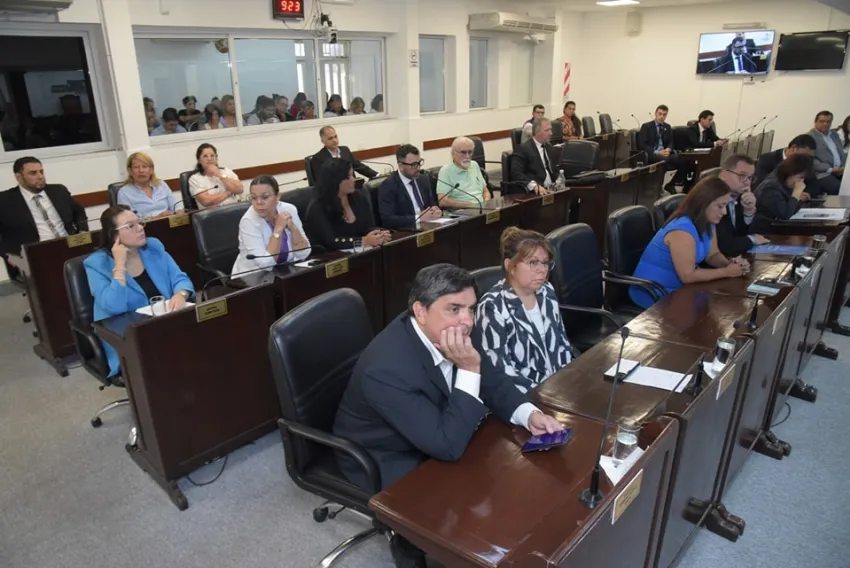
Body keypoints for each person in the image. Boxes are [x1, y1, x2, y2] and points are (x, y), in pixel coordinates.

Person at [333, 263, 563, 566]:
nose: (467, 321)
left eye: (471, 309)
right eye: (454, 309)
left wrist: (527, 413)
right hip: (382, 453)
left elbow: (491, 379)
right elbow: (447, 446)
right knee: (455, 503)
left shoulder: (454, 328)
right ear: (421, 311)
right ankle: (408, 545)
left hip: (434, 424)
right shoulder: (386, 369)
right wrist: (468, 369)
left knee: (501, 471)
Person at [84, 205, 194, 377]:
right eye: (130, 226)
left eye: (139, 222)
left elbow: (180, 278)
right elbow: (114, 307)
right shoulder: (97, 264)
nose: (140, 228)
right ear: (114, 235)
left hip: (165, 325)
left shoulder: (153, 247)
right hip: (128, 337)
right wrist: (120, 266)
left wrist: (181, 294)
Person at [476, 228, 572, 393]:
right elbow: (500, 370)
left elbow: (562, 343)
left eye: (545, 262)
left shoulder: (546, 291)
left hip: (558, 385)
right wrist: (544, 394)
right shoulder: (493, 307)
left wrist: (569, 378)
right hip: (525, 395)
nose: (542, 270)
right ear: (510, 266)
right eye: (533, 263)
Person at [629, 177, 748, 309]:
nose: (724, 212)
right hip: (655, 292)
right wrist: (726, 272)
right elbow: (688, 275)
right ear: (703, 204)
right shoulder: (682, 230)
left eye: (725, 205)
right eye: (720, 206)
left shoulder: (708, 222)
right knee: (713, 310)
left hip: (681, 289)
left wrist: (731, 265)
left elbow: (712, 255)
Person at [0, 157, 88, 275]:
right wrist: (7, 255)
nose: (40, 176)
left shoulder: (58, 191)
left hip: (69, 245)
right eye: (33, 173)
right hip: (35, 255)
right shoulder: (5, 201)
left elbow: (79, 211)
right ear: (18, 177)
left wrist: (83, 231)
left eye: (41, 172)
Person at [304, 158, 391, 251]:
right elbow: (330, 241)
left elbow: (369, 226)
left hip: (363, 252)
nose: (353, 179)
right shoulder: (317, 208)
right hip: (333, 256)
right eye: (348, 177)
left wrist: (379, 234)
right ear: (336, 181)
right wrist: (363, 241)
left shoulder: (359, 197)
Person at [231, 175, 311, 275]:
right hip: (253, 277)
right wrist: (278, 229)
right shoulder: (248, 221)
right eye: (254, 198)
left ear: (277, 196)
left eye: (265, 197)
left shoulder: (289, 210)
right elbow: (266, 264)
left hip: (284, 271)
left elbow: (304, 253)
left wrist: (294, 229)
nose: (259, 202)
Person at [711, 154, 770, 256]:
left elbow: (756, 234)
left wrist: (749, 212)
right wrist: (752, 239)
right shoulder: (713, 199)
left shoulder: (740, 197)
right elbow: (723, 244)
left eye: (750, 178)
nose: (747, 182)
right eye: (742, 176)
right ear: (724, 175)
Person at [378, 144, 440, 229]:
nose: (418, 168)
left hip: (429, 225)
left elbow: (431, 204)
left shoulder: (423, 179)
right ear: (401, 166)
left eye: (419, 163)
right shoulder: (388, 186)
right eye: (414, 165)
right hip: (407, 230)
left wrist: (435, 210)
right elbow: (388, 220)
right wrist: (418, 218)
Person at [638, 105, 690, 192]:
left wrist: (668, 149)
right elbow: (642, 145)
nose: (662, 116)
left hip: (665, 153)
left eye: (664, 115)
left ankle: (671, 184)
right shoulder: (647, 126)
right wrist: (658, 152)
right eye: (660, 114)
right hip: (652, 153)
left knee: (685, 161)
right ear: (655, 114)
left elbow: (671, 142)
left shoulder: (667, 127)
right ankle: (658, 187)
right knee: (664, 160)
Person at [117, 152, 181, 218]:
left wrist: (179, 211)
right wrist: (157, 217)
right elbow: (129, 220)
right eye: (136, 167)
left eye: (144, 167)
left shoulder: (161, 184)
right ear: (130, 171)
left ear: (151, 170)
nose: (141, 170)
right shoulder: (124, 192)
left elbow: (175, 206)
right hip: (144, 224)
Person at [754, 154, 813, 223]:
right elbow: (785, 215)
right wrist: (796, 193)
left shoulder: (784, 184)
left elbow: (794, 210)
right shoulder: (771, 188)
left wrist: (797, 197)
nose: (801, 182)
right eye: (801, 177)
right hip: (764, 226)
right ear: (791, 172)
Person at [309, 126, 378, 183]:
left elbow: (359, 166)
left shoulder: (345, 150)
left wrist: (377, 175)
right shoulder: (318, 158)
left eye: (335, 136)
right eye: (330, 138)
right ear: (323, 141)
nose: (334, 140)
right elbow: (321, 182)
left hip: (352, 188)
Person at [437, 136, 491, 208]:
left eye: (470, 152)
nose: (467, 156)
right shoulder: (446, 171)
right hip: (462, 211)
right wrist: (470, 206)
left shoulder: (474, 165)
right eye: (463, 152)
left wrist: (486, 203)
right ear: (453, 154)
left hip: (482, 209)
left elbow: (485, 191)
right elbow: (442, 201)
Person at [188, 143, 245, 209]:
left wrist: (219, 175)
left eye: (212, 155)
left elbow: (240, 189)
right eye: (205, 156)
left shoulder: (226, 171)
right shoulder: (195, 179)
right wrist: (228, 192)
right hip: (212, 213)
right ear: (199, 160)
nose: (209, 158)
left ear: (216, 158)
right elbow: (207, 201)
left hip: (234, 208)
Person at [510, 118, 556, 196]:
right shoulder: (523, 149)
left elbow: (555, 170)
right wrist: (534, 186)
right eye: (547, 130)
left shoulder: (549, 148)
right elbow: (516, 172)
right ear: (537, 132)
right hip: (535, 191)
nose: (550, 133)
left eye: (550, 129)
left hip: (551, 189)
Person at [809, 110, 846, 195]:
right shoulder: (810, 137)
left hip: (840, 170)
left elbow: (841, 153)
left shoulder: (834, 134)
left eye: (828, 122)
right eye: (822, 121)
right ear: (815, 122)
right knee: (839, 189)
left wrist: (844, 167)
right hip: (822, 173)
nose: (825, 124)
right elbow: (811, 160)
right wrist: (831, 170)